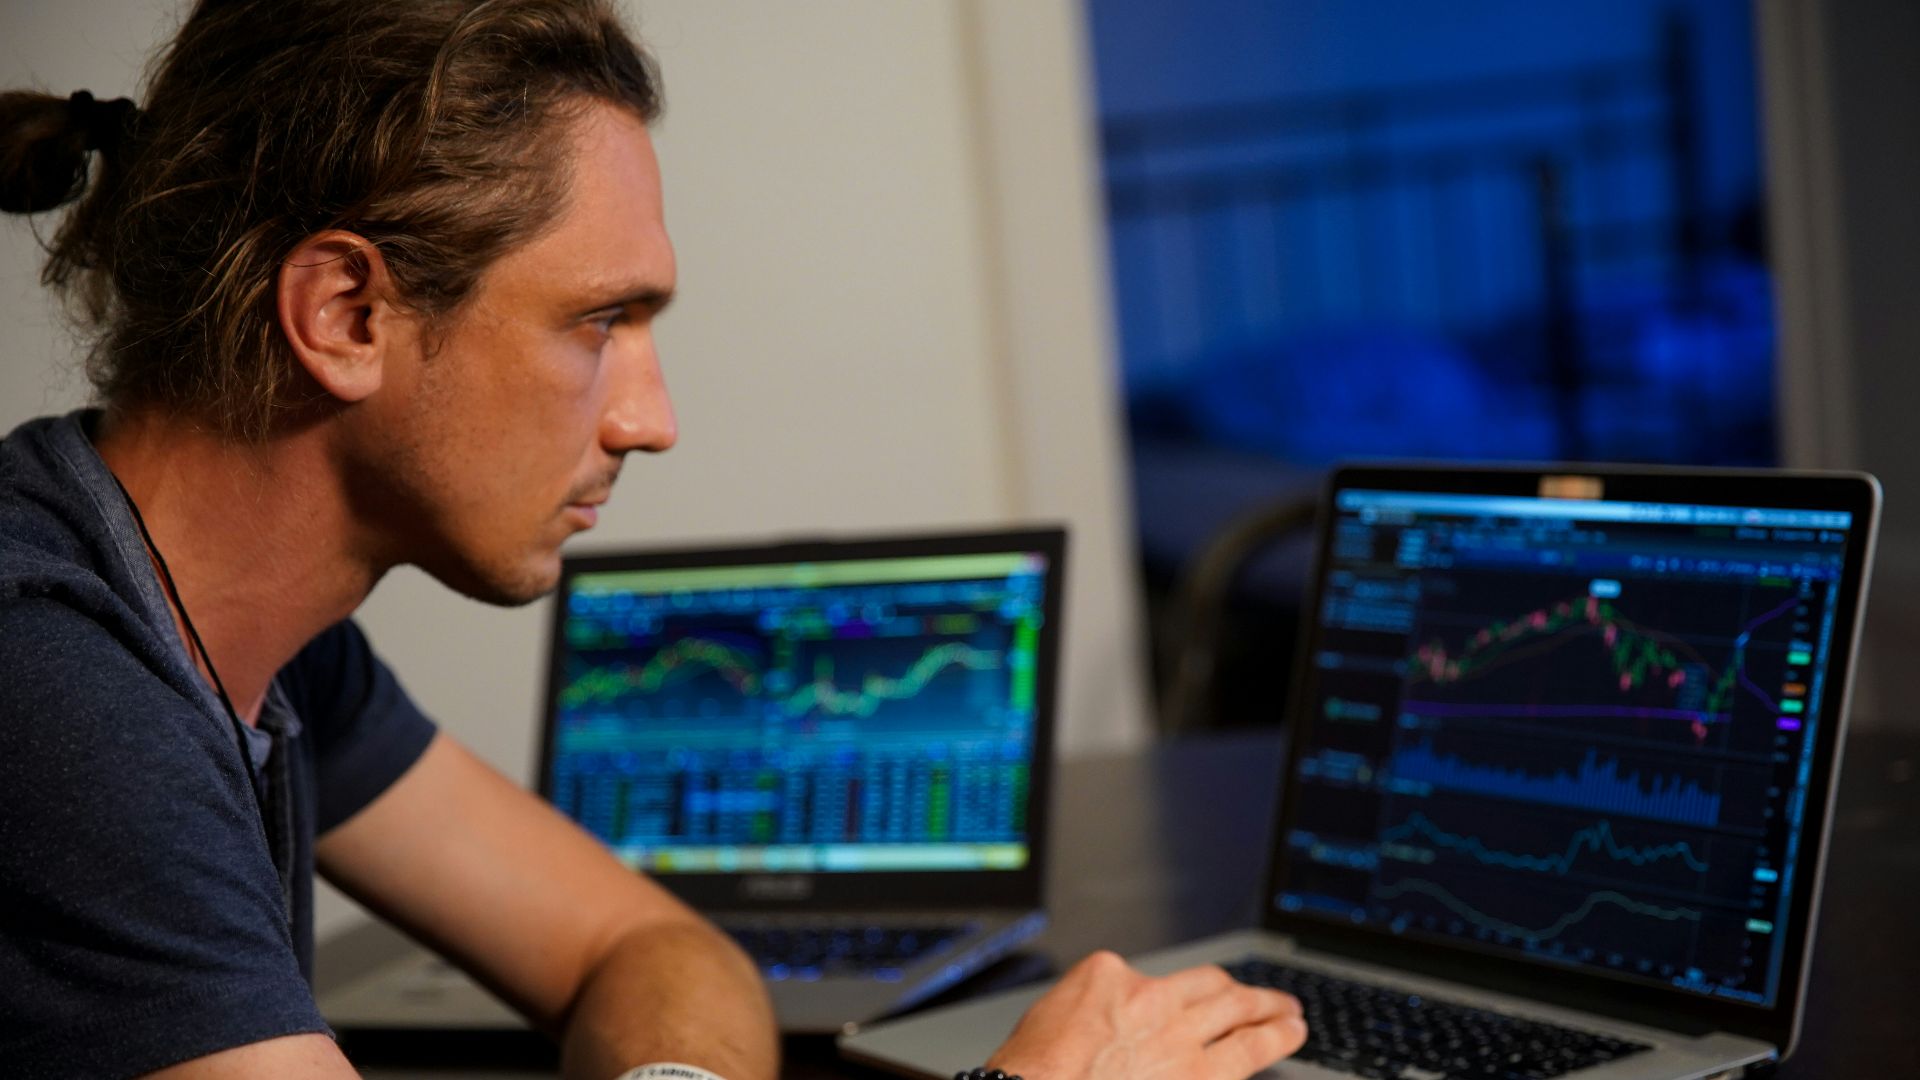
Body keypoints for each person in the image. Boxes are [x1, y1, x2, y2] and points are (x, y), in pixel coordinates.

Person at [0, 3, 1309, 1078]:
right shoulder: (52, 683)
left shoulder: (273, 654)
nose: (652, 418)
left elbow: (652, 949)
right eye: (599, 322)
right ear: (345, 313)